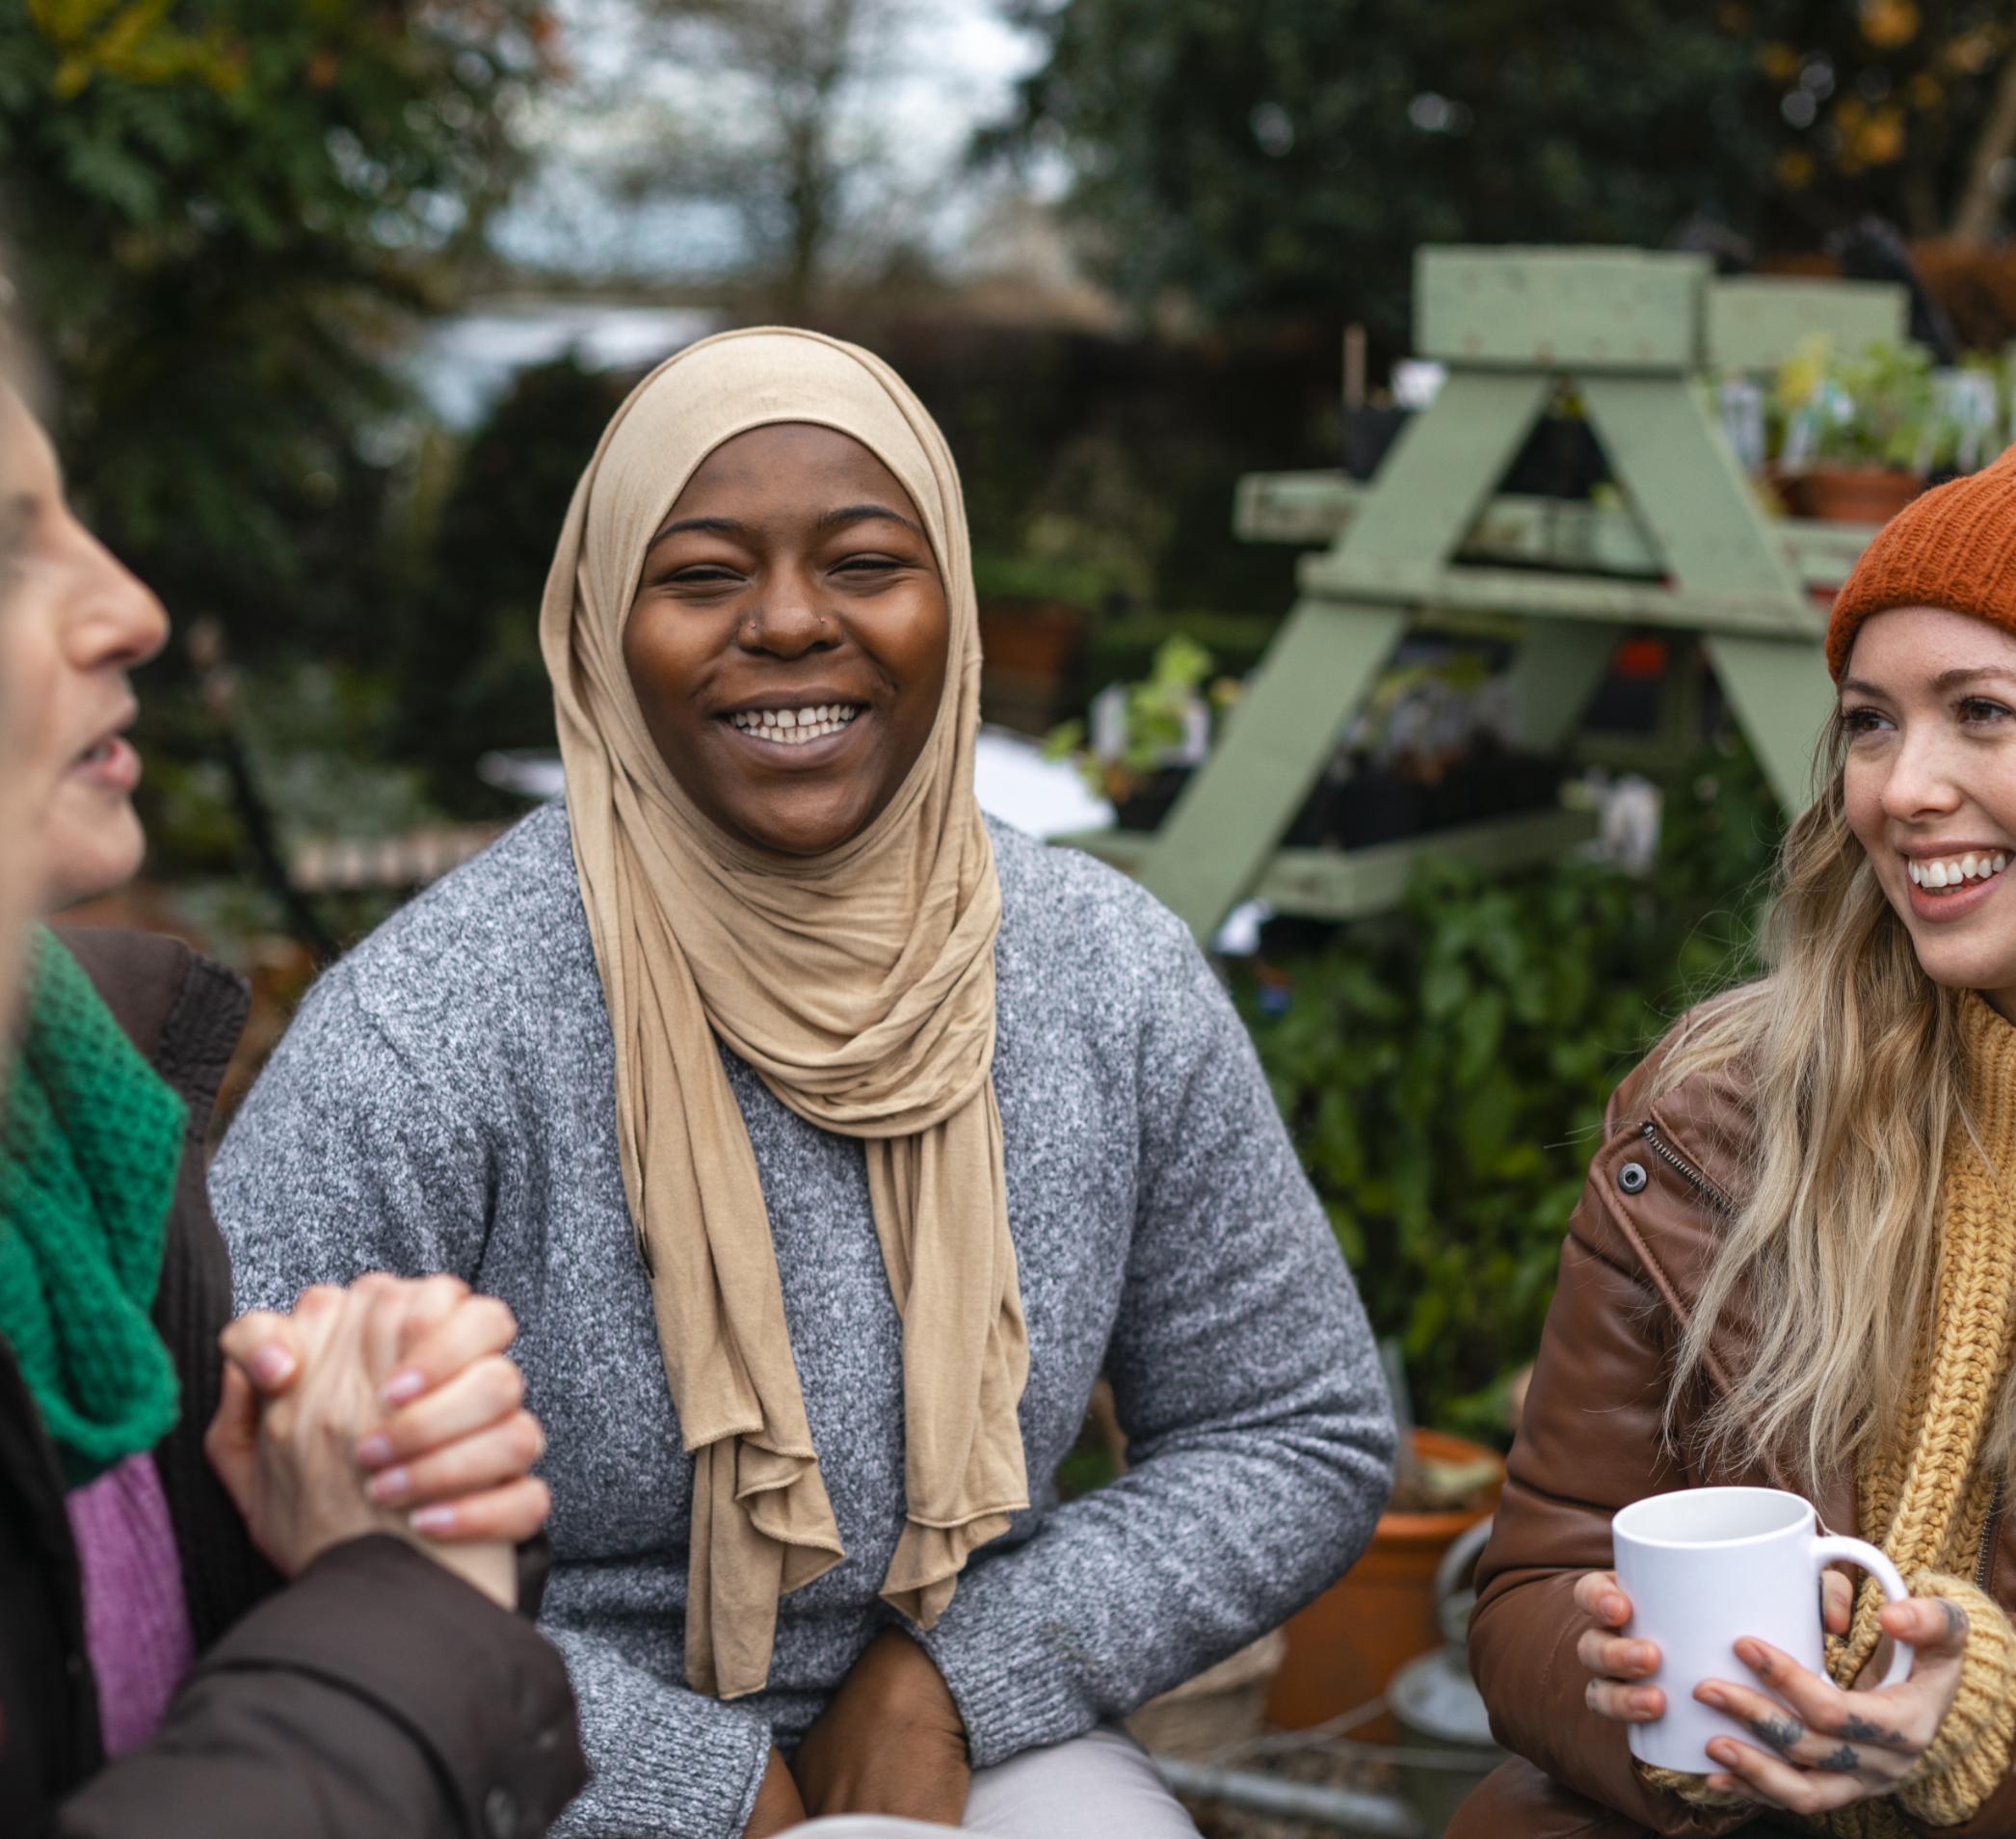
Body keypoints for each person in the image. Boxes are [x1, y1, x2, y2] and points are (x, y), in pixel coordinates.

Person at [210, 327, 1396, 1837]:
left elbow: (1295, 1426)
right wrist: (701, 1787)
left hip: (965, 1721)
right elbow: (242, 1514)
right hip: (519, 1752)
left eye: (864, 563)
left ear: (949, 604)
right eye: (701, 575)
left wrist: (952, 1682)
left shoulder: (1107, 978)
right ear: (596, 623)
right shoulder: (434, 1025)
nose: (786, 624)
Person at [0, 370, 589, 1834]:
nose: (133, 604)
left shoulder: (94, 1107)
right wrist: (404, 1611)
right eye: (4, 548)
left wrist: (354, 1485)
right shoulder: (413, 1019)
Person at [1455, 449, 2016, 1839]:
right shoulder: (1721, 1107)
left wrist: (1977, 1710)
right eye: (1872, 724)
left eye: (1984, 713)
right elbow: (1535, 1580)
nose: (1902, 790)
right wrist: (1649, 1708)